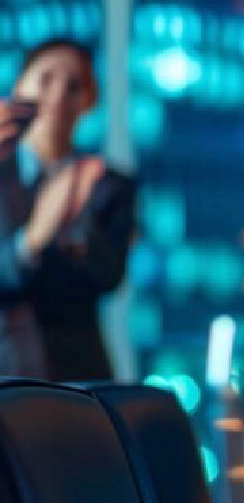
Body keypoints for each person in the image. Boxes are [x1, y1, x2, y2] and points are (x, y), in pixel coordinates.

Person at [0, 39, 135, 382]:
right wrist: (32, 239)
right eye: (45, 79)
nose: (58, 96)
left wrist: (77, 218)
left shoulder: (108, 185)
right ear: (19, 87)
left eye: (74, 86)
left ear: (90, 100)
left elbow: (106, 278)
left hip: (76, 374)